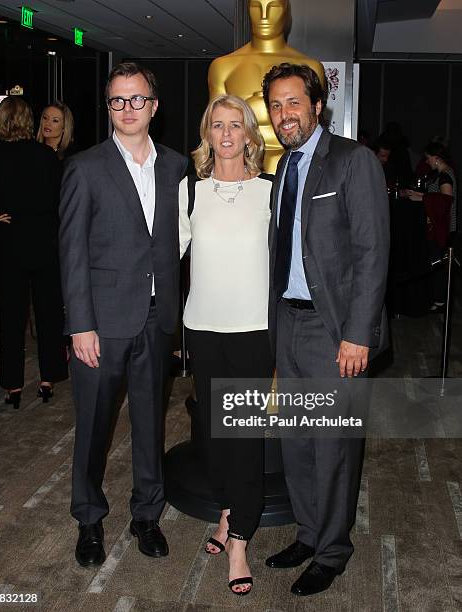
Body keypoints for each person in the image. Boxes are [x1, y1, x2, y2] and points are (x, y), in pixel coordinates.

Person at [263, 64, 389, 596]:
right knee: (296, 441)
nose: (284, 114)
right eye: (275, 105)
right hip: (287, 324)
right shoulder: (284, 167)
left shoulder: (352, 161)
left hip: (333, 328)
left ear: (317, 106)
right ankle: (309, 533)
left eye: (294, 102)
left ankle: (333, 549)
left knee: (333, 444)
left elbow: (372, 252)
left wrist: (358, 333)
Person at [59, 62, 187, 567]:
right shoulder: (85, 167)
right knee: (92, 427)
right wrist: (80, 324)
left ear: (154, 106)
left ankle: (146, 515)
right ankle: (89, 519)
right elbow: (70, 253)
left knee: (151, 425)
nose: (127, 109)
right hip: (102, 324)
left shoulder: (177, 166)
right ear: (108, 107)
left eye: (137, 99)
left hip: (157, 321)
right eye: (117, 100)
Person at [179, 94, 273, 596]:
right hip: (204, 327)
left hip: (255, 330)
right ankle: (225, 510)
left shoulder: (270, 192)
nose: (228, 134)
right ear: (207, 134)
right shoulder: (190, 192)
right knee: (215, 433)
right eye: (218, 125)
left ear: (250, 135)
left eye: (236, 125)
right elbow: (165, 254)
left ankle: (239, 538)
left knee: (244, 435)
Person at [0, 96, 68, 409]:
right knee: (49, 313)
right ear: (28, 121)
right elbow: (61, 203)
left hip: (9, 241)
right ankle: (48, 379)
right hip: (44, 242)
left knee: (11, 317)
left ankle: (13, 386)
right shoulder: (46, 156)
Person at [208, 0, 325, 173]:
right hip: (241, 169)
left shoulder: (311, 68)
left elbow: (312, 127)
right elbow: (216, 127)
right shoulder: (223, 67)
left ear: (286, 12)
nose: (264, 16)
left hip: (295, 166)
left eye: (274, 7)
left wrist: (250, 107)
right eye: (256, 7)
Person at [402, 141, 456, 311]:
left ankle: (439, 300)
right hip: (441, 227)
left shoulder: (445, 175)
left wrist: (421, 198)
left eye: (428, 158)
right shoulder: (444, 174)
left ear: (437, 158)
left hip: (442, 229)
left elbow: (445, 202)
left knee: (438, 264)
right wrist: (420, 195)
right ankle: (438, 298)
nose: (426, 162)